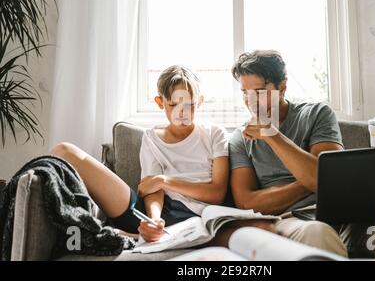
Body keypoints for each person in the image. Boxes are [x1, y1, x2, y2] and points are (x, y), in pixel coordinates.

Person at [50, 65, 273, 245]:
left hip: (199, 216)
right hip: (158, 211)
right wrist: (154, 220)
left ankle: (131, 237)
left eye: (190, 105)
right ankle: (140, 233)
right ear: (160, 103)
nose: (183, 113)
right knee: (64, 151)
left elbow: (216, 192)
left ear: (200, 101)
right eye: (174, 104)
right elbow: (152, 191)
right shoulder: (152, 137)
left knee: (258, 230)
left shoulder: (215, 133)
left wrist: (165, 181)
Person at [229, 50, 348, 257]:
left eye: (258, 92)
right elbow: (247, 203)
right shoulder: (240, 138)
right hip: (291, 220)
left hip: (340, 212)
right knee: (317, 232)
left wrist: (272, 135)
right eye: (244, 93)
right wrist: (310, 181)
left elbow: (331, 180)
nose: (250, 102)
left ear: (282, 88)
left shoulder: (317, 114)